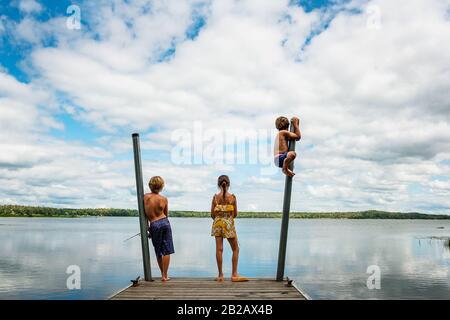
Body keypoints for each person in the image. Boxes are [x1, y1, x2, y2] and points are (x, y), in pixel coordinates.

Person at [211, 175, 248, 282]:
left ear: (219, 184)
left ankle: (220, 275)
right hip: (228, 224)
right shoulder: (232, 198)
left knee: (219, 249)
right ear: (228, 184)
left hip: (217, 224)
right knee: (236, 249)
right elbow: (235, 214)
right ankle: (234, 274)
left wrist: (219, 218)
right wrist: (227, 219)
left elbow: (212, 215)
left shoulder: (215, 198)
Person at [143, 176, 174, 281]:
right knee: (167, 250)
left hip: (154, 224)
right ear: (161, 186)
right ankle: (164, 276)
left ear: (150, 185)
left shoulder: (145, 197)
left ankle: (162, 274)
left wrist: (147, 227)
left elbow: (144, 214)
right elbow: (166, 214)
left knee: (158, 251)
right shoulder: (164, 199)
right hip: (164, 222)